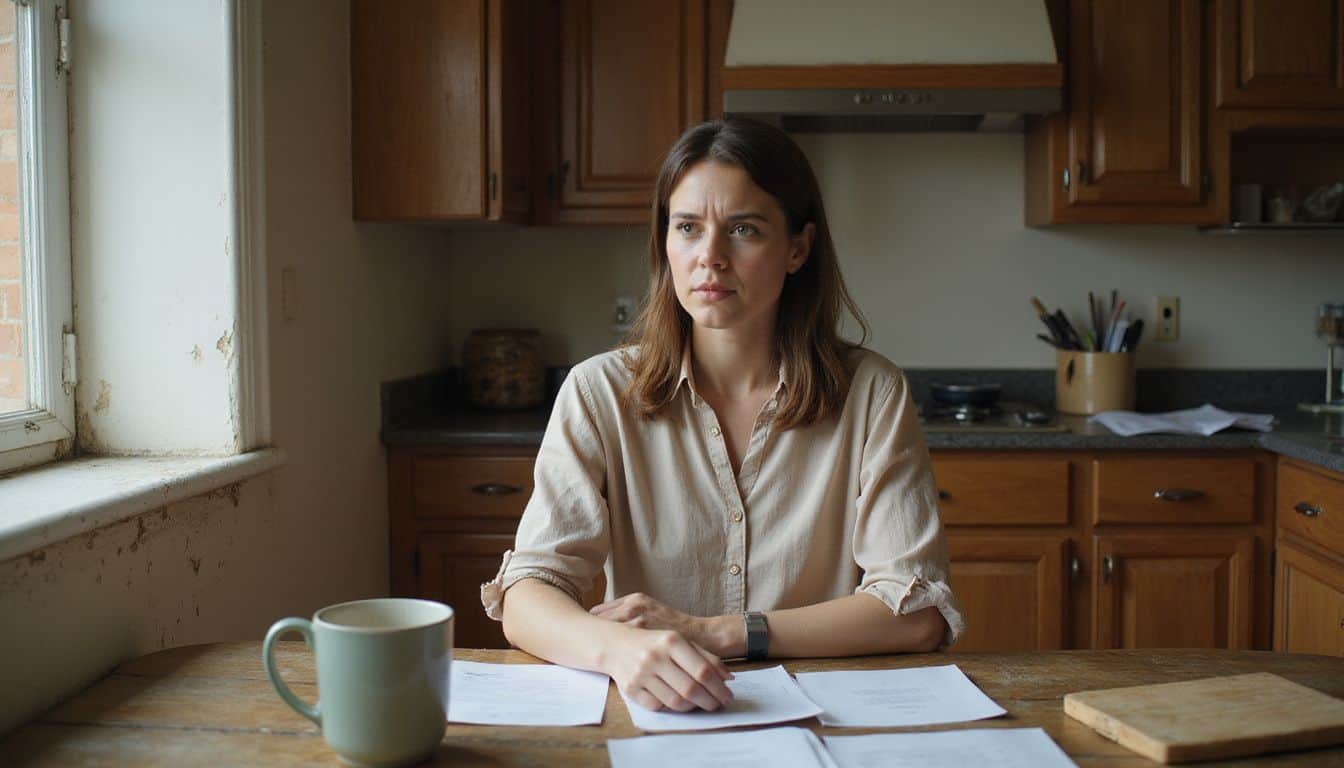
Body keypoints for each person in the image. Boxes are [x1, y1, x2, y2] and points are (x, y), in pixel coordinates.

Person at [481, 117, 963, 714]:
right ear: (665, 243)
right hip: (653, 715)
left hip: (830, 718)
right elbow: (529, 595)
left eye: (743, 229)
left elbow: (914, 615)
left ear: (798, 248)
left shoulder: (872, 393)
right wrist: (619, 650)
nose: (710, 257)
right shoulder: (596, 392)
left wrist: (718, 632)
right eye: (687, 227)